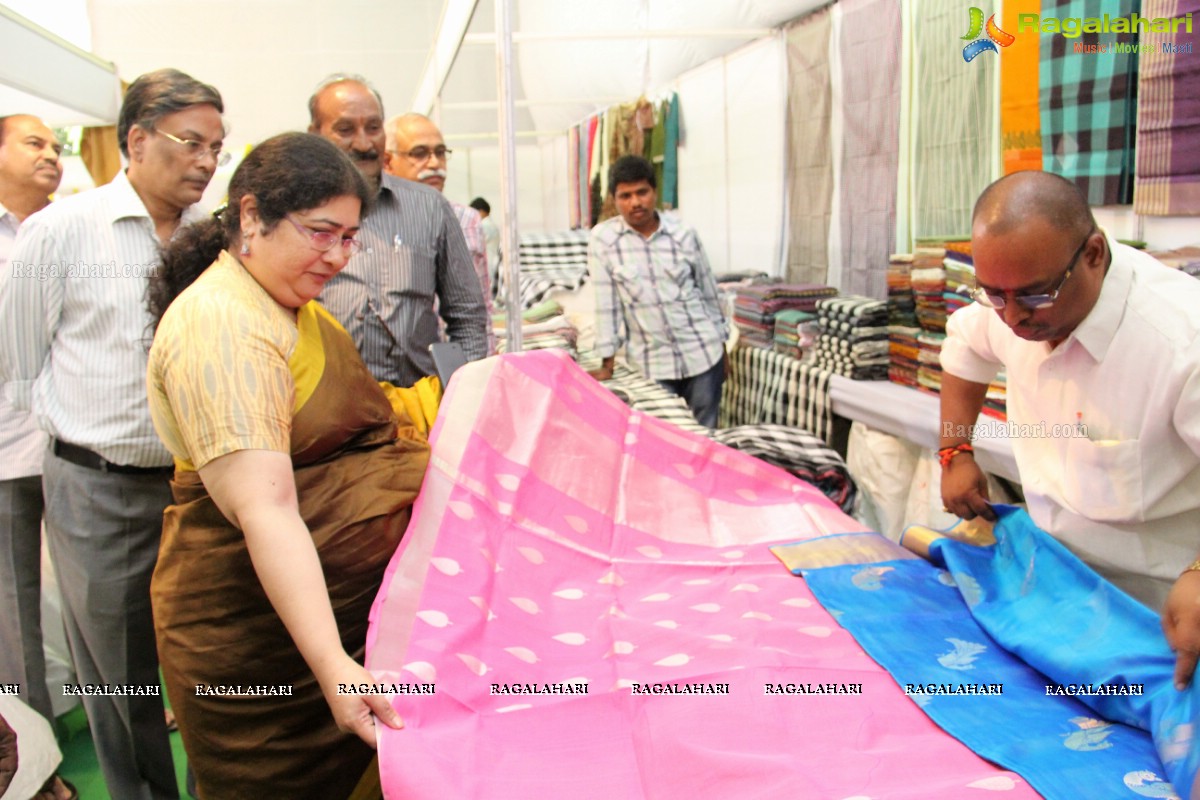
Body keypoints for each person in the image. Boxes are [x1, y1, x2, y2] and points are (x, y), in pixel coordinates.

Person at [146, 132, 430, 799]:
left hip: (333, 619)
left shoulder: (284, 302)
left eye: (350, 238)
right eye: (321, 233)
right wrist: (333, 666)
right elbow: (266, 509)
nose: (337, 257)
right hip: (261, 650)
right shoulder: (222, 326)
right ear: (251, 217)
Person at [0, 68, 227, 800]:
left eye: (216, 148)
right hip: (96, 487)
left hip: (196, 485)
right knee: (120, 676)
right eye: (191, 142)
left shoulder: (215, 242)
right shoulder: (64, 231)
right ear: (136, 139)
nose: (205, 161)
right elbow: (16, 358)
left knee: (208, 655)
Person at [938, 170, 1200, 685]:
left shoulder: (1179, 343)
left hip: (1161, 610)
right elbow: (965, 346)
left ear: (1094, 255)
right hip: (1053, 578)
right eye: (994, 294)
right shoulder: (1017, 292)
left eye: (1034, 297)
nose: (1013, 318)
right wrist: (954, 450)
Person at [307, 74, 488, 386]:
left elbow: (468, 314)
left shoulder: (430, 208)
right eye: (346, 129)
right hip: (329, 409)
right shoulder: (298, 212)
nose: (364, 143)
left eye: (373, 128)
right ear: (315, 134)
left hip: (420, 407)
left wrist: (463, 396)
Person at [587, 155, 728, 427]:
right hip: (651, 364)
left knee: (705, 439)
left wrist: (722, 347)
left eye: (642, 192)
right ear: (614, 200)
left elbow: (709, 293)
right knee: (661, 440)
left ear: (655, 191)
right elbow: (607, 305)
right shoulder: (604, 240)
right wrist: (607, 362)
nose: (635, 202)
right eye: (625, 196)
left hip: (703, 354)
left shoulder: (683, 233)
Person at [0, 114, 61, 728]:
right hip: (6, 449)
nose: (51, 153)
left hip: (75, 449)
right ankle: (33, 738)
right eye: (34, 143)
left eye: (55, 145)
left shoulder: (67, 228)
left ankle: (134, 708)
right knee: (14, 606)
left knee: (101, 601)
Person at [385, 113, 496, 352]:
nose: (434, 163)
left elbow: (478, 311)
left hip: (449, 370)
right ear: (388, 162)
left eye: (440, 152)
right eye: (420, 153)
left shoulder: (466, 220)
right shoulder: (369, 222)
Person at [470, 196, 501, 299]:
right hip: (492, 266)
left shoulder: (485, 226)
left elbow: (472, 245)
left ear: (481, 211)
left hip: (488, 268)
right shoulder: (490, 225)